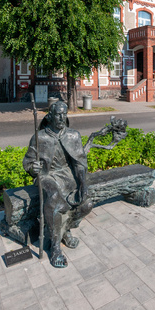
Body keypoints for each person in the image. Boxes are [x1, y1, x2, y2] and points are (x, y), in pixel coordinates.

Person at [23, 101, 93, 268]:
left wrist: (82, 185)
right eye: (58, 114)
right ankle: (55, 247)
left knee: (87, 203)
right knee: (55, 198)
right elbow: (28, 162)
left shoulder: (73, 135)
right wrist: (34, 167)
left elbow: (79, 164)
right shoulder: (40, 137)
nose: (62, 118)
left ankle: (64, 230)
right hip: (47, 176)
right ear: (49, 116)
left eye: (64, 114)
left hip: (67, 175)